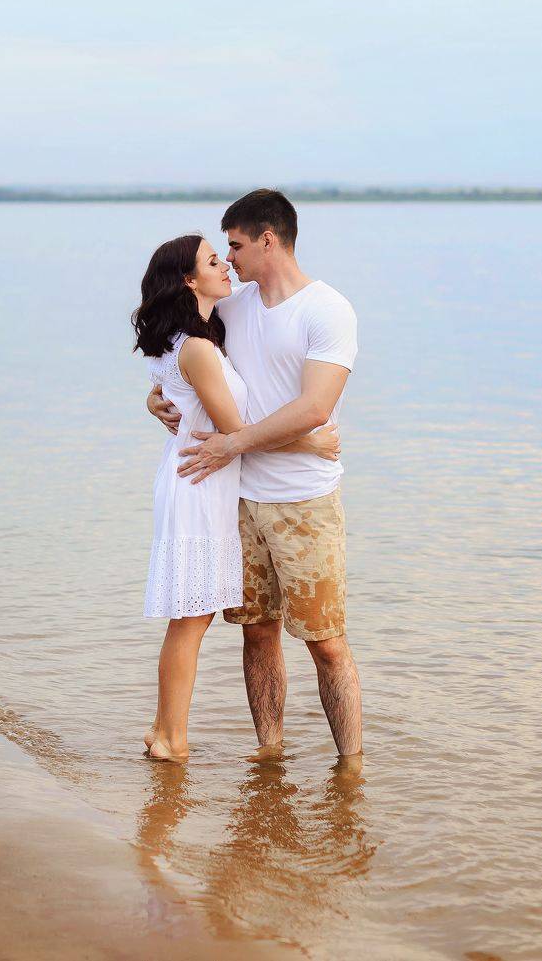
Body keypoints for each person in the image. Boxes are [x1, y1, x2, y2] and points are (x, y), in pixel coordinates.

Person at [150, 189, 363, 767]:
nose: (229, 258)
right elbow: (178, 349)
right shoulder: (232, 305)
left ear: (269, 240)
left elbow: (316, 407)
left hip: (305, 499)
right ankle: (269, 756)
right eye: (222, 251)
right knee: (258, 633)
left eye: (236, 245)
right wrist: (154, 398)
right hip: (238, 499)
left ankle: (351, 770)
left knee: (326, 641)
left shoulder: (327, 310)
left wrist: (233, 442)